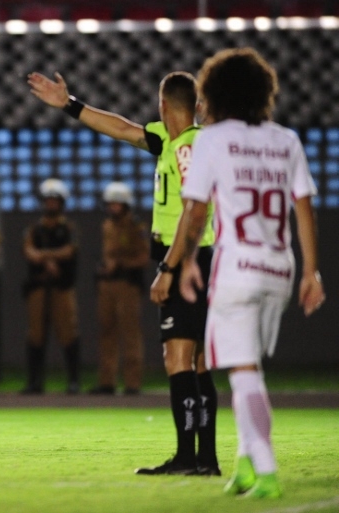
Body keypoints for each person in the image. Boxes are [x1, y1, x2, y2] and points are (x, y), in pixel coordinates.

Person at [28, 70, 220, 475]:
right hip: (201, 258)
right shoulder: (179, 141)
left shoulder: (186, 147)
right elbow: (123, 129)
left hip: (188, 258)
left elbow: (193, 208)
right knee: (197, 361)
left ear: (164, 105)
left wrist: (169, 267)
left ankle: (190, 457)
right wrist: (70, 104)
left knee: (178, 357)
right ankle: (205, 459)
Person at [160, 47, 325, 498]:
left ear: (212, 93)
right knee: (249, 366)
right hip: (280, 267)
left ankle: (267, 469)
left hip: (237, 265)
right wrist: (312, 271)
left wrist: (187, 263)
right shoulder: (286, 139)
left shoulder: (211, 139)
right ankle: (245, 466)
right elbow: (303, 206)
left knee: (242, 372)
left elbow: (195, 214)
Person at [21, 178, 81, 394]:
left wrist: (44, 256)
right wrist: (50, 260)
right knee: (35, 333)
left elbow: (70, 250)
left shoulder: (69, 228)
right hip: (38, 287)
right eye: (48, 200)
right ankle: (34, 381)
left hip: (62, 288)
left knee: (68, 332)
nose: (51, 204)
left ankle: (74, 380)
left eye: (55, 200)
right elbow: (29, 251)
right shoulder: (34, 229)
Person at [92, 182, 150, 395]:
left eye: (117, 204)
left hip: (127, 285)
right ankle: (107, 381)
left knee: (130, 332)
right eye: (110, 204)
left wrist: (122, 264)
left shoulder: (136, 226)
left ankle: (132, 383)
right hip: (107, 285)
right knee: (106, 331)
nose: (113, 208)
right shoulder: (106, 225)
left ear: (126, 205)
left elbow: (144, 257)